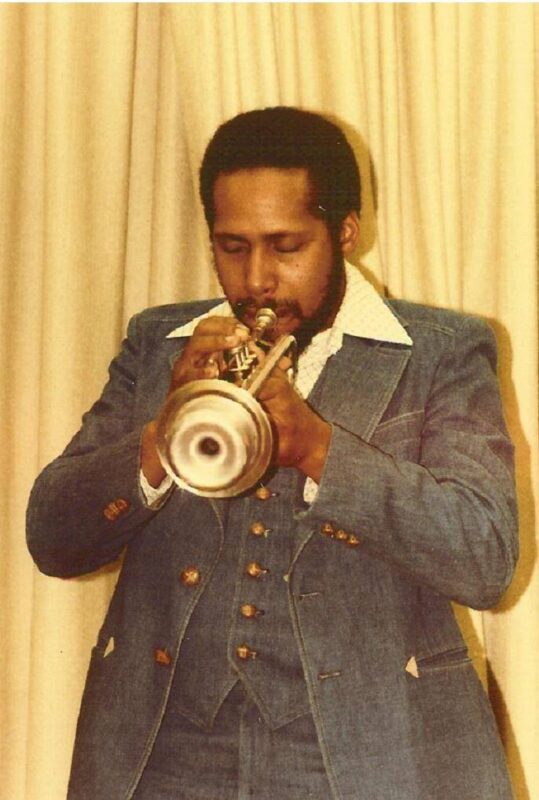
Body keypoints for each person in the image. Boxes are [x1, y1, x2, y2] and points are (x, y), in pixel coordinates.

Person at [27, 107, 518, 800]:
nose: (257, 279)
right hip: (164, 753)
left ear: (345, 232)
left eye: (286, 246)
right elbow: (51, 539)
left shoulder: (441, 352)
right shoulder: (159, 344)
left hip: (364, 754)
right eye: (232, 247)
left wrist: (319, 449)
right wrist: (161, 434)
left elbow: (486, 558)